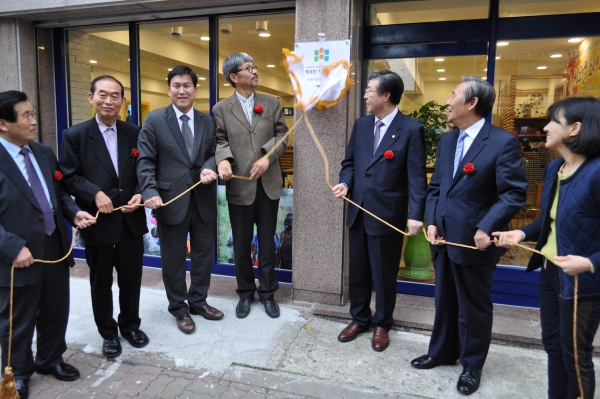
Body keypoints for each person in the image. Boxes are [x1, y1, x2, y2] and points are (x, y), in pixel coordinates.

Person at [410, 76, 527, 395]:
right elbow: (436, 189)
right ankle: (442, 352)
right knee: (443, 299)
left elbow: (513, 194)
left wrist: (485, 227)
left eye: (453, 95)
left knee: (474, 306)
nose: (448, 101)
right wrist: (432, 221)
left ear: (472, 103)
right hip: (443, 238)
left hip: (476, 243)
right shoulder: (449, 141)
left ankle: (472, 365)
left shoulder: (502, 142)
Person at [493, 97, 600, 399]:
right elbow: (549, 220)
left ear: (576, 128)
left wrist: (589, 263)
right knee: (553, 344)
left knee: (575, 355)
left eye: (554, 120)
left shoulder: (596, 173)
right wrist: (520, 233)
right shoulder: (554, 168)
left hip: (583, 282)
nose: (546, 127)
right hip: (551, 273)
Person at [0, 90, 96, 399]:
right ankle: (19, 372)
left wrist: (73, 212)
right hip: (17, 256)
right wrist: (11, 246)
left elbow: (58, 193)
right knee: (18, 319)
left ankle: (50, 359)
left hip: (53, 247)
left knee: (56, 309)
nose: (33, 120)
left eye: (32, 113)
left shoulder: (42, 152)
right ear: (3, 123)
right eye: (26, 115)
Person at [331, 70, 428, 352]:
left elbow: (417, 178)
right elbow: (349, 162)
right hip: (358, 210)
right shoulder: (361, 125)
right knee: (358, 270)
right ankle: (359, 318)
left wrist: (415, 215)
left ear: (386, 95)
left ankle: (383, 322)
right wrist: (345, 183)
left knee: (384, 273)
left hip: (387, 214)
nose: (365, 95)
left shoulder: (411, 130)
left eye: (370, 90)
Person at [60, 75, 149, 358]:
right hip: (98, 222)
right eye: (103, 95)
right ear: (91, 98)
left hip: (130, 220)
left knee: (131, 277)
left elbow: (144, 169)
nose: (108, 101)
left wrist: (139, 193)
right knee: (101, 281)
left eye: (115, 96)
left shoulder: (134, 132)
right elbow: (69, 177)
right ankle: (108, 333)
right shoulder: (75, 135)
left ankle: (130, 325)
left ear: (123, 101)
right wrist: (95, 192)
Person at [137, 65, 222, 334]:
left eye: (187, 85)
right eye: (176, 85)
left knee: (202, 256)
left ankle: (198, 301)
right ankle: (179, 309)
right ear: (169, 89)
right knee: (173, 259)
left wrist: (210, 166)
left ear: (196, 90)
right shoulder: (154, 120)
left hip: (202, 199)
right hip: (171, 201)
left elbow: (214, 151)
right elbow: (146, 161)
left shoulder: (208, 121)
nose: (182, 90)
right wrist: (150, 191)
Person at [214, 52, 288, 319]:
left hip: (268, 185)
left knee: (267, 243)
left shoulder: (272, 102)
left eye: (255, 66)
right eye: (249, 68)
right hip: (239, 185)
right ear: (234, 77)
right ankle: (245, 293)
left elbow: (284, 136)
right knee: (242, 243)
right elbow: (220, 140)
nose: (255, 71)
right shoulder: (221, 108)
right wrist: (223, 161)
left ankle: (268, 293)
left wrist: (268, 156)